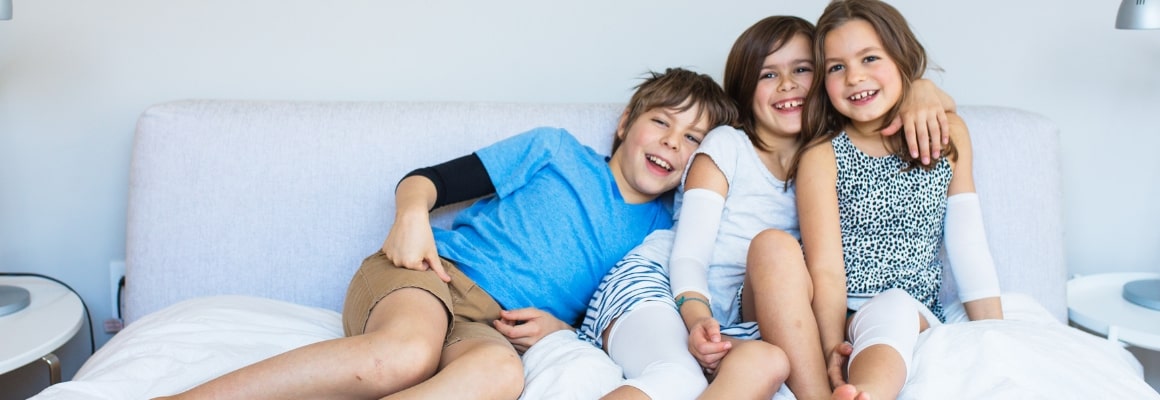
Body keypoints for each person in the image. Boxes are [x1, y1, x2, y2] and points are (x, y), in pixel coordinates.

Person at [153, 67, 737, 400]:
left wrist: (566, 328)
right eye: (662, 121)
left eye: (692, 140)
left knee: (500, 376)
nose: (671, 142)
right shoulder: (555, 150)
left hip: (491, 328)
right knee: (404, 354)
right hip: (430, 277)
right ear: (625, 124)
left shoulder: (663, 232)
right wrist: (410, 218)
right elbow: (427, 181)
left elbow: (625, 306)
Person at [500, 15, 960, 400]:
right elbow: (689, 254)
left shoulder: (829, 158)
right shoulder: (727, 145)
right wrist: (698, 317)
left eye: (802, 70)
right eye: (767, 74)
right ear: (746, 88)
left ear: (825, 77)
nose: (787, 85)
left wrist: (921, 88)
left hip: (734, 318)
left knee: (770, 360)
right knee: (675, 377)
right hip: (666, 287)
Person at [791, 1, 1005, 399]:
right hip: (853, 313)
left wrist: (998, 334)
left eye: (869, 58)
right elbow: (826, 270)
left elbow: (968, 244)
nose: (855, 77)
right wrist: (829, 348)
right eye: (837, 67)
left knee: (896, 307)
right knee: (886, 310)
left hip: (918, 310)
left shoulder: (948, 132)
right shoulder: (822, 155)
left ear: (902, 57)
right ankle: (864, 392)